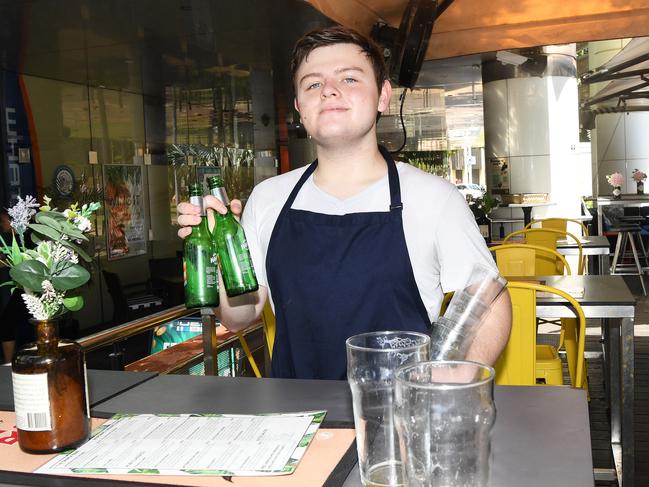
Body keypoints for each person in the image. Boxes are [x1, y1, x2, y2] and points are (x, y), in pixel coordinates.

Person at [178, 26, 512, 380]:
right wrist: (217, 262)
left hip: (398, 419)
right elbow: (241, 316)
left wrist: (446, 386)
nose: (330, 90)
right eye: (312, 84)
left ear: (383, 96)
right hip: (298, 419)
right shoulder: (268, 199)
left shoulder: (433, 197)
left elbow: (489, 301)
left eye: (350, 79)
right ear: (299, 108)